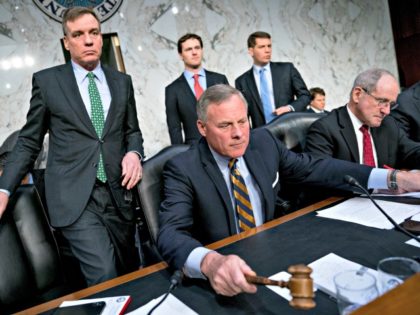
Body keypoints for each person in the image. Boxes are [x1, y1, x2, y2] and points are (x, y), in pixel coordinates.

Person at [157, 84, 420, 297]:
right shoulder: (183, 167)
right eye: (225, 126)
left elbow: (317, 168)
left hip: (273, 256)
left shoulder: (262, 142)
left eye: (242, 122)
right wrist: (210, 263)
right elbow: (170, 233)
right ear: (202, 128)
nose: (238, 134)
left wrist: (394, 179)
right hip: (226, 274)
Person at [0, 7, 144, 286]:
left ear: (101, 38)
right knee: (105, 274)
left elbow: (133, 131)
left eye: (94, 33)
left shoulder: (122, 83)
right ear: (67, 42)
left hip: (119, 196)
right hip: (75, 200)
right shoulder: (48, 82)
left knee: (131, 272)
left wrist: (134, 154)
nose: (88, 40)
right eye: (78, 34)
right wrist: (4, 188)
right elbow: (29, 141)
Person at [305, 69, 420, 169]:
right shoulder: (324, 129)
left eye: (391, 104)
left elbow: (412, 152)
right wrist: (385, 178)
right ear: (357, 94)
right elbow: (322, 174)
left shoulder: (388, 124)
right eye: (382, 102)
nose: (387, 111)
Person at [235, 31, 310, 127]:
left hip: (291, 131)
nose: (267, 50)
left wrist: (289, 108)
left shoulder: (287, 69)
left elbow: (305, 96)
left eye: (269, 46)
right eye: (261, 47)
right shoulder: (242, 81)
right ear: (251, 51)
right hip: (261, 135)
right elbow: (243, 114)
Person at [165, 33, 229, 144]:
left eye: (197, 48)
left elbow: (231, 112)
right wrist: (181, 156)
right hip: (195, 149)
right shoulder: (172, 90)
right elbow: (174, 129)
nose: (194, 52)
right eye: (189, 49)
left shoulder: (220, 79)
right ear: (181, 55)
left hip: (224, 143)